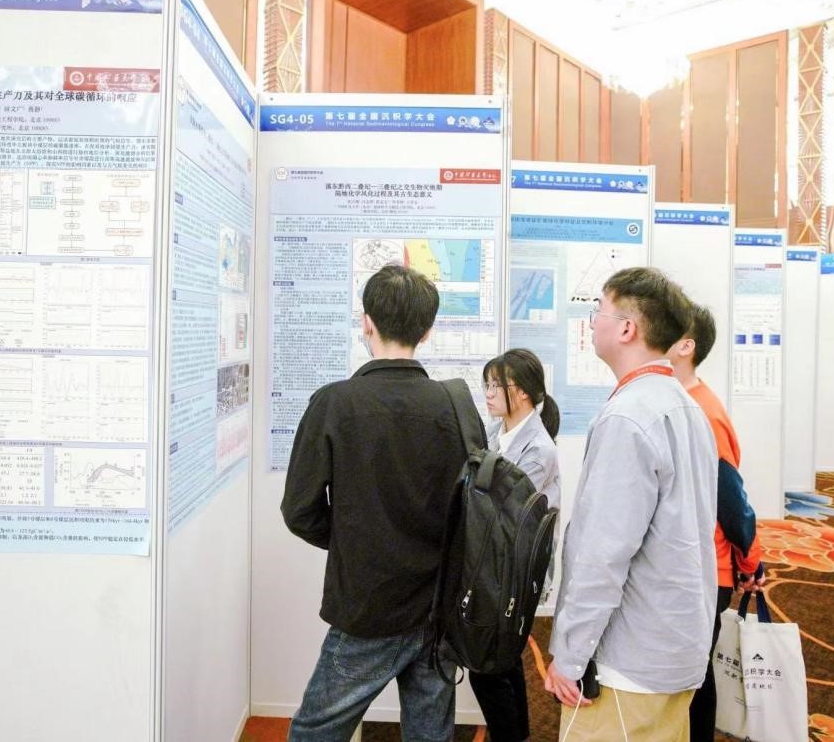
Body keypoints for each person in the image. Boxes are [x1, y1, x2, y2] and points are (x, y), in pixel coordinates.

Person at [281, 263, 475, 741]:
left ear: (366, 322)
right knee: (430, 733)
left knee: (315, 732)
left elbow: (299, 510)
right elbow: (470, 508)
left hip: (367, 605)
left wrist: (351, 539)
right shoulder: (456, 405)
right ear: (427, 331)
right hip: (439, 607)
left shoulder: (334, 403)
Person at [544, 268, 718, 742]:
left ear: (627, 329)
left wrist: (570, 656)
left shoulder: (628, 417)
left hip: (628, 661)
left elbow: (603, 553)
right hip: (675, 643)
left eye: (598, 308)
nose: (592, 320)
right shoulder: (686, 406)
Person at [668, 304, 764, 742]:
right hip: (689, 561)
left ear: (686, 346)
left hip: (706, 566)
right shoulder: (678, 400)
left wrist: (751, 563)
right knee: (690, 669)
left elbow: (731, 498)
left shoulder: (702, 411)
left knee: (694, 673)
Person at [470, 347, 561, 742]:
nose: (488, 394)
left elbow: (500, 510)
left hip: (513, 572)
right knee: (501, 661)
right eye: (487, 385)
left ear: (521, 391)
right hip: (494, 565)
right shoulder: (496, 433)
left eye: (496, 386)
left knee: (486, 664)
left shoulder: (538, 449)